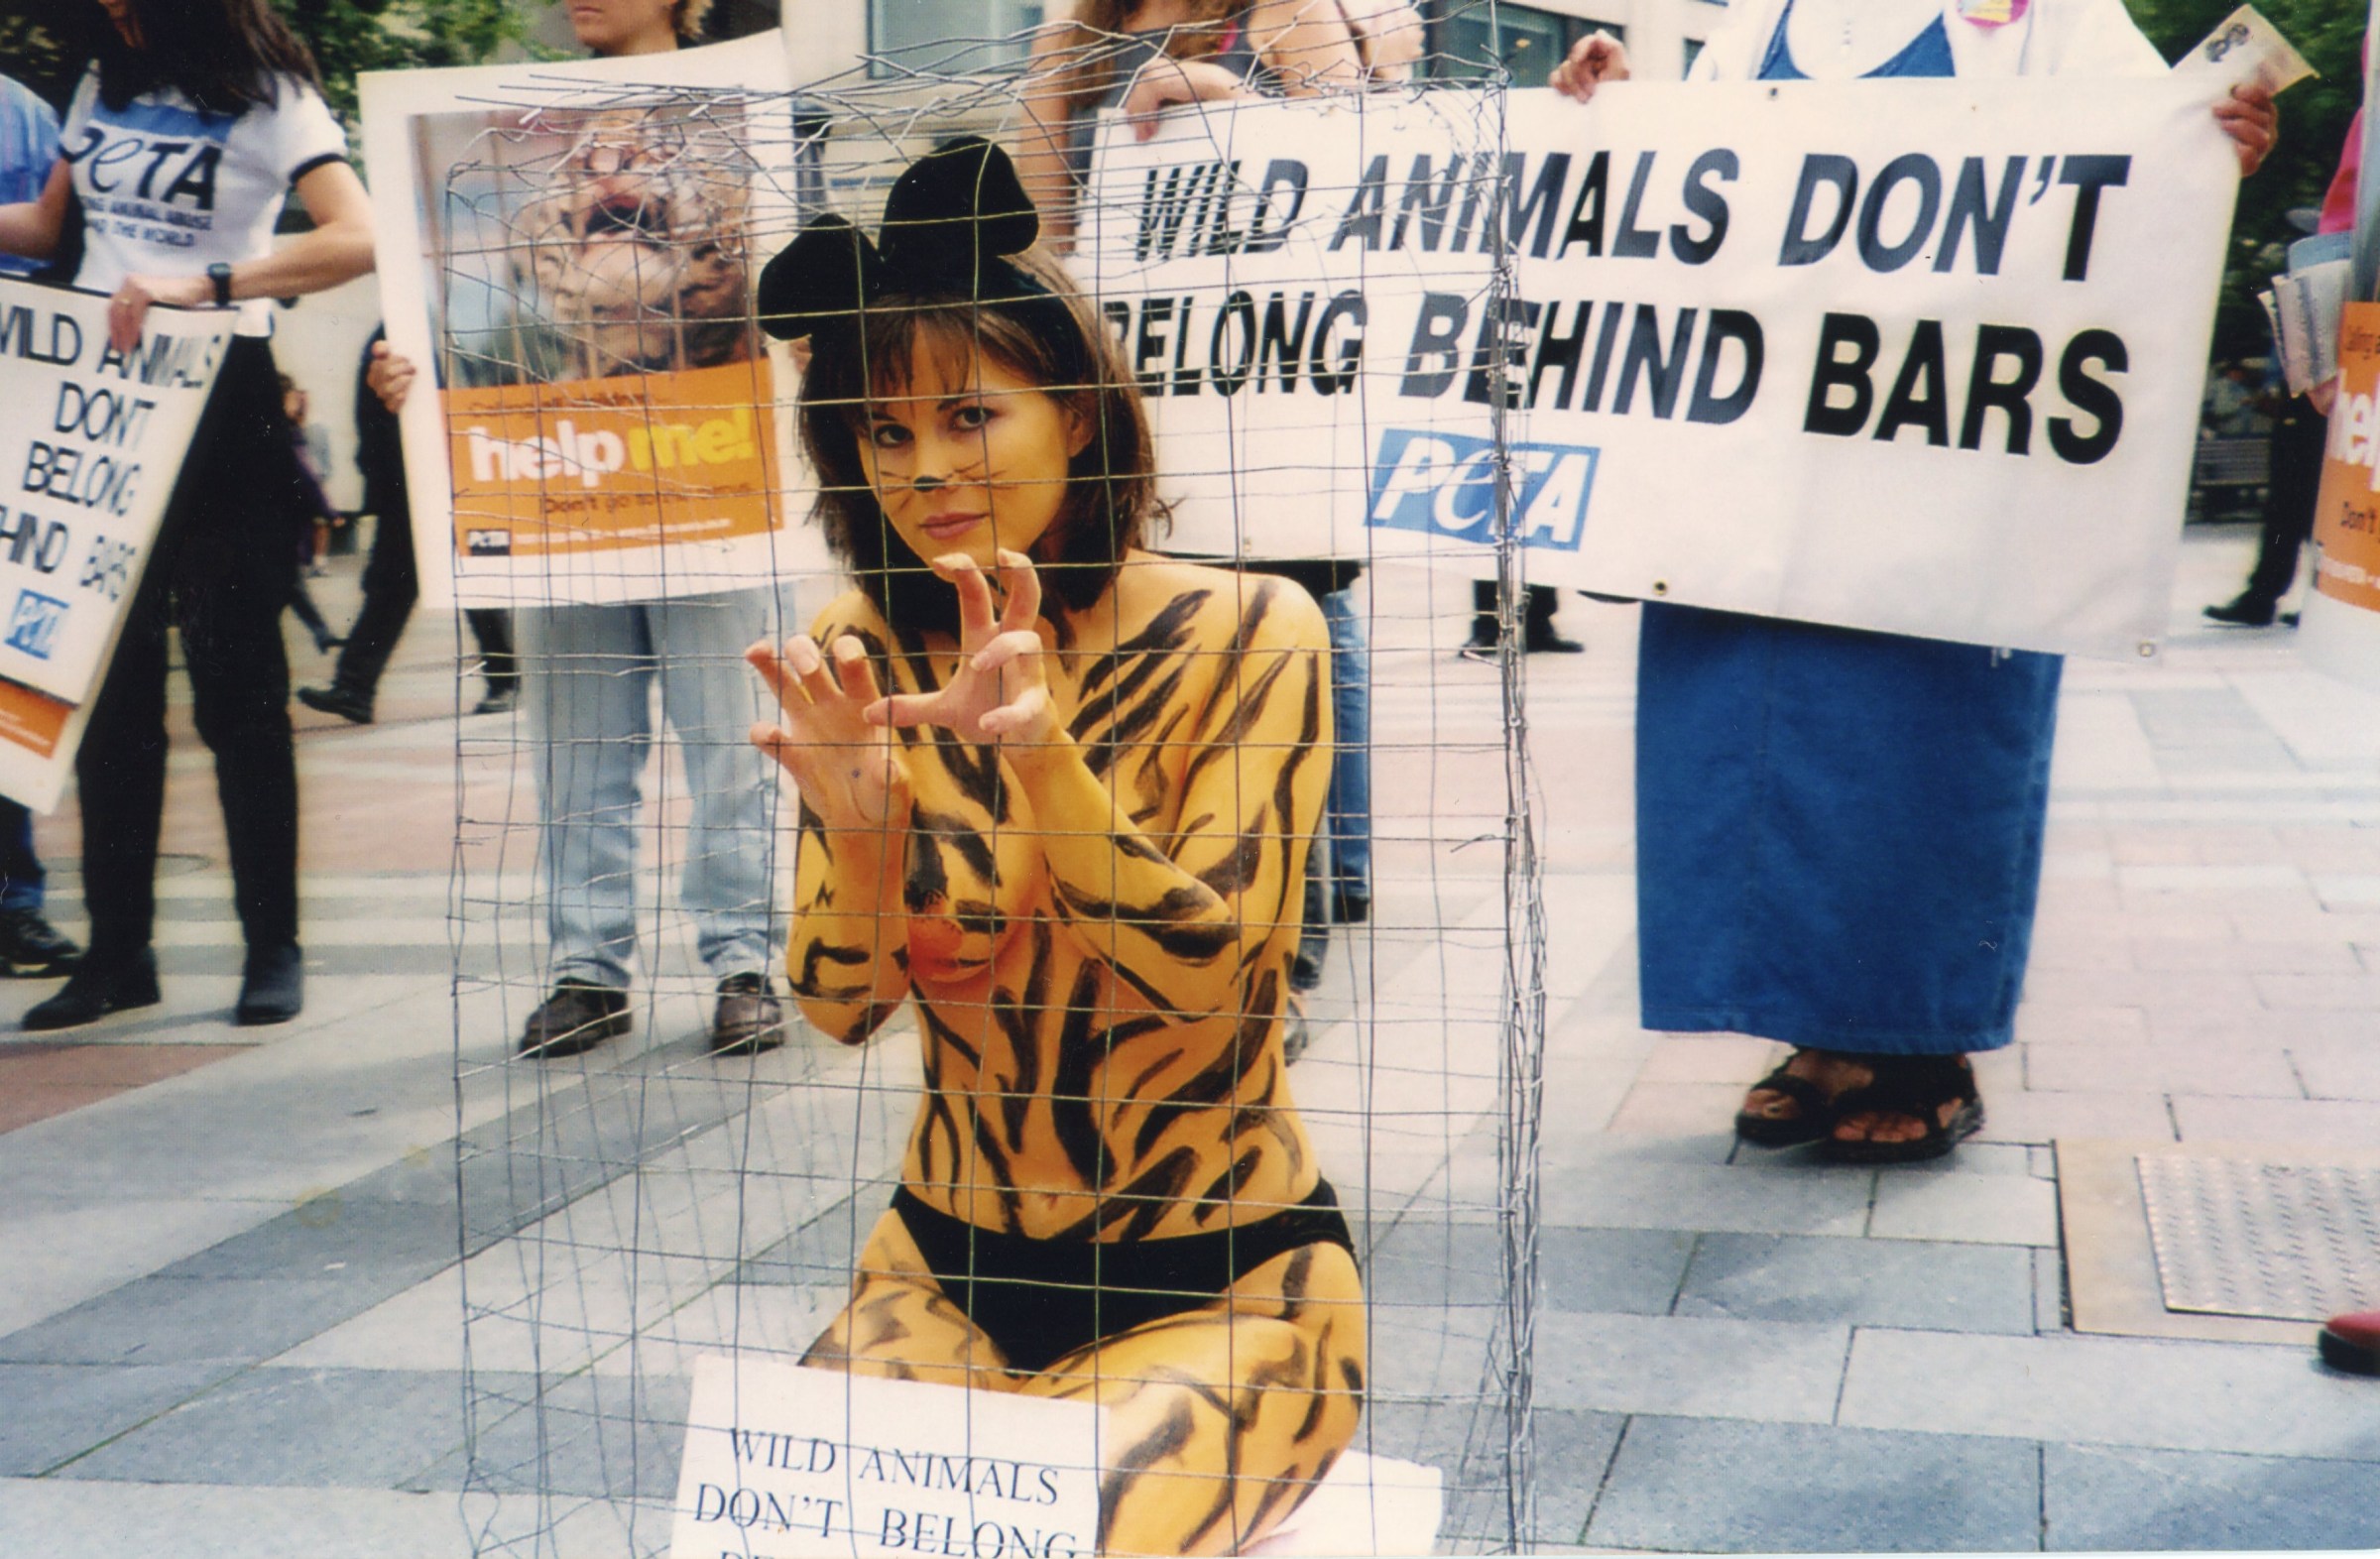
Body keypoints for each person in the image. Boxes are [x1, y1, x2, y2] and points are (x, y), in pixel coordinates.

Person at [750, 138, 1362, 1554]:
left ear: (1076, 412)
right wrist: (856, 831)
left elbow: (1215, 986)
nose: (926, 470)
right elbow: (839, 1008)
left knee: (1080, 1536)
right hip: (941, 1266)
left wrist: (1038, 753)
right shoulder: (865, 648)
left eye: (970, 417)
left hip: (1222, 1278)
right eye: (883, 436)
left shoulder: (1251, 629)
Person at [1551, 4, 2278, 1161]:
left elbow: (2150, 158)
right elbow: (1699, 177)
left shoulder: (2049, 14)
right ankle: (1815, 1039)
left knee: (1917, 744)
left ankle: (1920, 1045)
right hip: (1771, 465)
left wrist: (2214, 137)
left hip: (1944, 474)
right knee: (1757, 738)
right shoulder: (1765, 18)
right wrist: (1622, 104)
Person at [372, 0, 785, 1057]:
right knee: (574, 754)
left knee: (733, 744)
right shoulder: (507, 135)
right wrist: (412, 378)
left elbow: (790, 296)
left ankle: (746, 962)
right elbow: (474, 313)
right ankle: (584, 971)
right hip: (565, 492)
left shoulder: (752, 110)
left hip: (711, 487)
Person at [0, 0, 378, 1030]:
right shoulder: (99, 82)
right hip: (97, 402)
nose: (109, 11)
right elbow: (43, 227)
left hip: (220, 397)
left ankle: (273, 946)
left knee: (237, 684)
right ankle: (120, 954)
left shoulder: (274, 96)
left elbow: (355, 236)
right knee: (108, 694)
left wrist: (208, 281)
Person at [298, 329, 518, 725]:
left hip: (436, 480)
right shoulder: (399, 324)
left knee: (462, 582)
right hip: (405, 487)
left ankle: (506, 680)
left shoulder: (425, 322)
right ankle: (355, 688)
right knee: (393, 587)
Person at [278, 374, 344, 658]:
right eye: (292, 395)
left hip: (273, 526)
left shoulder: (277, 429)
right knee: (288, 584)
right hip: (282, 527)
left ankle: (321, 631)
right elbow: (307, 477)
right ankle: (321, 631)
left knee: (289, 585)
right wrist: (328, 511)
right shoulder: (287, 432)